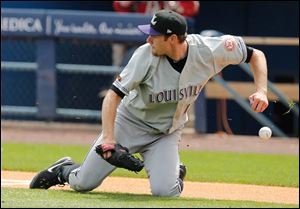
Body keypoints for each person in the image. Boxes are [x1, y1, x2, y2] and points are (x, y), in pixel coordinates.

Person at [29, 10, 269, 197]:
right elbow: (113, 96)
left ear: (172, 39)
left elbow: (255, 55)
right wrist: (110, 139)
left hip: (166, 132)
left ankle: (174, 171)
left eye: (154, 35)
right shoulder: (144, 55)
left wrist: (261, 90)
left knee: (166, 192)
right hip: (129, 124)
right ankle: (63, 169)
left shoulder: (209, 50)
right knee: (83, 184)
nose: (148, 38)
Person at [112, 1, 200, 66]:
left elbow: (193, 8)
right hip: (141, 31)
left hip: (167, 33)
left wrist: (174, 4)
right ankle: (117, 82)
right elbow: (119, 6)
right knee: (119, 45)